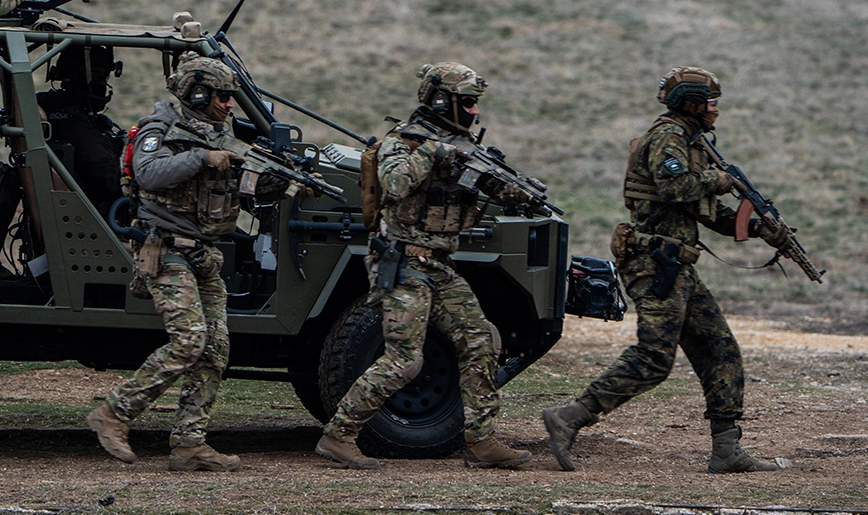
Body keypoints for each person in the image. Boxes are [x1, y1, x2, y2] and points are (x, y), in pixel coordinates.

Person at [541, 67, 786, 474]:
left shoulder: (693, 144)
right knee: (654, 358)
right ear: (689, 102)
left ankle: (726, 449)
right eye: (710, 102)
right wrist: (719, 179)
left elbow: (708, 213)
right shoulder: (667, 137)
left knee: (720, 351)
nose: (715, 111)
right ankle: (570, 416)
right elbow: (676, 188)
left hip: (678, 266)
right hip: (655, 263)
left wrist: (761, 228)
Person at [316, 62, 535, 470]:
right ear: (440, 100)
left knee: (479, 341)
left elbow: (493, 188)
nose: (473, 112)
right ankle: (338, 435)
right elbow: (396, 183)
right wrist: (436, 151)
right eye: (466, 103)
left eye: (474, 104)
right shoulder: (405, 141)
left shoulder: (462, 147)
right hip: (402, 262)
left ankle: (481, 440)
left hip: (437, 265)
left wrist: (514, 190)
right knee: (405, 359)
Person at [85, 52, 296, 472]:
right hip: (165, 250)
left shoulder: (220, 131)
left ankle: (189, 442)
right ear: (196, 93)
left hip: (204, 254)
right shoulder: (158, 128)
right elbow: (149, 174)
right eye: (220, 97)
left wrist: (280, 184)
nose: (228, 105)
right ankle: (114, 412)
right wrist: (202, 157)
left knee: (215, 350)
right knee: (188, 342)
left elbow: (241, 190)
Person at [36, 44, 125, 217]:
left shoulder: (50, 106)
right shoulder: (74, 122)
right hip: (94, 219)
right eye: (99, 77)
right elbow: (111, 179)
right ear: (78, 76)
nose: (104, 85)